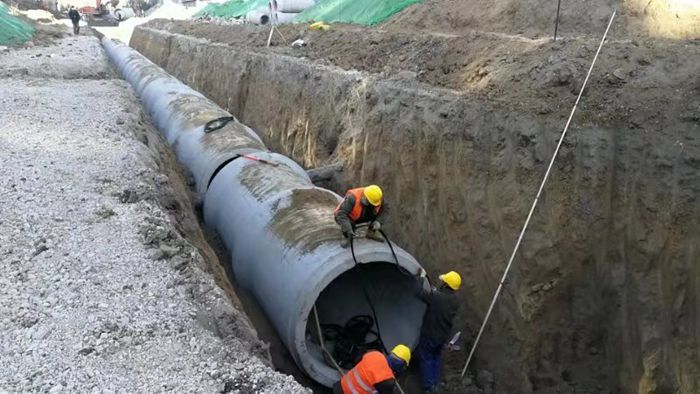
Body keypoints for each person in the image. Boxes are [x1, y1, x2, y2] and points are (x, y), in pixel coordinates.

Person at [415, 270, 461, 393]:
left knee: (426, 359)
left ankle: (429, 388)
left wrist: (420, 277)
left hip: (430, 334)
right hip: (442, 336)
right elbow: (440, 299)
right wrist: (435, 292)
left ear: (446, 285)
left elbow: (419, 292)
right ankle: (435, 384)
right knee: (435, 358)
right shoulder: (455, 300)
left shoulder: (436, 297)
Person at [333, 344, 411, 394]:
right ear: (401, 364)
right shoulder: (387, 380)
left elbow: (357, 360)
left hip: (339, 386)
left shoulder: (374, 354)